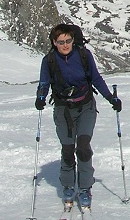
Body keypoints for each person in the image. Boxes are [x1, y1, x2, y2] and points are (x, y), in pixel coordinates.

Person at [34, 23, 121, 208]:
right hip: (63, 109)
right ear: (54, 42)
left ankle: (84, 187)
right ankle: (67, 185)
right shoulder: (49, 60)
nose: (65, 45)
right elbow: (44, 82)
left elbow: (95, 78)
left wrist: (110, 98)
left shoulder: (83, 55)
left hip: (85, 107)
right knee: (67, 149)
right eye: (61, 42)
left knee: (82, 146)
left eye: (68, 41)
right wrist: (41, 97)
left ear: (74, 40)